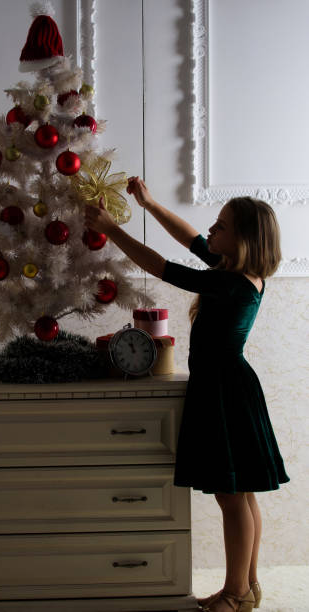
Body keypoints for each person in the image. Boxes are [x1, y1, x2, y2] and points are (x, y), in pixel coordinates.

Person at [84, 178, 290, 612]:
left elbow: (162, 267)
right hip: (229, 387)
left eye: (221, 226)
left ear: (244, 239)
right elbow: (189, 238)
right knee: (242, 495)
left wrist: (111, 227)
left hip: (225, 392)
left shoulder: (232, 285)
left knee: (232, 499)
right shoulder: (233, 271)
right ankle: (247, 587)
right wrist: (149, 203)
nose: (211, 231)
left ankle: (236, 594)